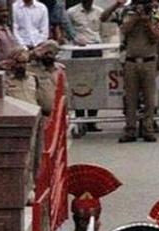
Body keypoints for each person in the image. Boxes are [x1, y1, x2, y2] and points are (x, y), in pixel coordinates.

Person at [119, 0, 159, 143]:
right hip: (131, 61)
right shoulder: (128, 15)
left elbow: (157, 38)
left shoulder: (155, 17)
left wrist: (146, 22)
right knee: (130, 97)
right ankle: (130, 129)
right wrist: (136, 18)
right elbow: (124, 30)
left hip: (148, 60)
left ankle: (148, 129)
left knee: (149, 98)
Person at [68, 0, 104, 132]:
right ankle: (80, 120)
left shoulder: (99, 11)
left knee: (95, 84)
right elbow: (68, 29)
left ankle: (92, 121)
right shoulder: (72, 12)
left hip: (96, 48)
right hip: (79, 50)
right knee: (79, 84)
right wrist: (75, 39)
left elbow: (104, 30)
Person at [29, 39, 66, 117]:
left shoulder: (60, 69)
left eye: (51, 53)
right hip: (43, 114)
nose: (48, 56)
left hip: (60, 114)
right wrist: (34, 53)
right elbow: (21, 58)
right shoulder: (32, 69)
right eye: (46, 53)